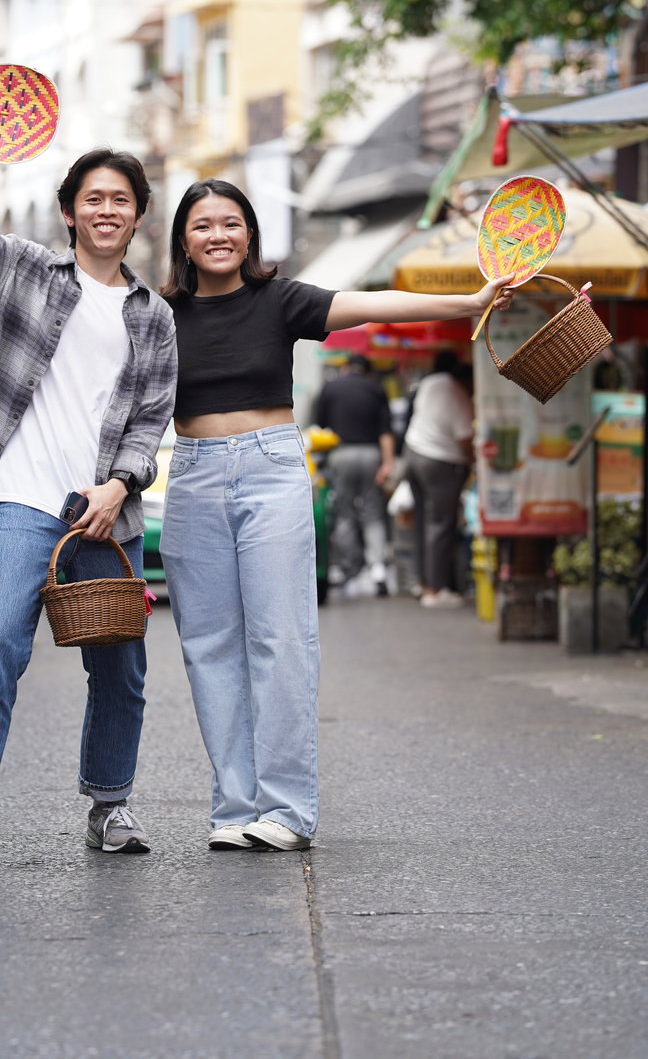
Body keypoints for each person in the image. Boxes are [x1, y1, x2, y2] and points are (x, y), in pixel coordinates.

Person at [159, 180, 514, 852]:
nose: (218, 235)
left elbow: (372, 302)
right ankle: (234, 808)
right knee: (208, 646)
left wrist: (468, 300)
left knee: (281, 639)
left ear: (250, 235)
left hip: (270, 471)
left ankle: (286, 811)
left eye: (231, 222)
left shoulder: (280, 300)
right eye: (202, 225)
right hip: (195, 474)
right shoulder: (159, 313)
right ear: (183, 239)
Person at [0, 87, 177, 872]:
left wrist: (121, 487)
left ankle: (110, 804)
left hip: (104, 509)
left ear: (137, 216)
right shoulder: (23, 270)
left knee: (122, 666)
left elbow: (151, 417)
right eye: (93, 198)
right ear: (68, 211)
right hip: (24, 496)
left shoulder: (153, 314)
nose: (106, 210)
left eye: (121, 200)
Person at [315, 353, 394, 595]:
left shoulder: (330, 388)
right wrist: (387, 463)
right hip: (370, 454)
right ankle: (378, 569)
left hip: (340, 454)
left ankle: (348, 569)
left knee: (344, 514)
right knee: (372, 513)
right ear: (368, 371)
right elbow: (385, 431)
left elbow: (319, 427)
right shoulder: (376, 388)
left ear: (347, 368)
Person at [403, 351, 475, 609]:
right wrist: (473, 464)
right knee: (441, 525)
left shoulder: (429, 382)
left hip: (412, 453)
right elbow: (465, 439)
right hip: (440, 462)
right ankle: (435, 590)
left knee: (423, 521)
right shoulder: (458, 394)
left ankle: (422, 582)